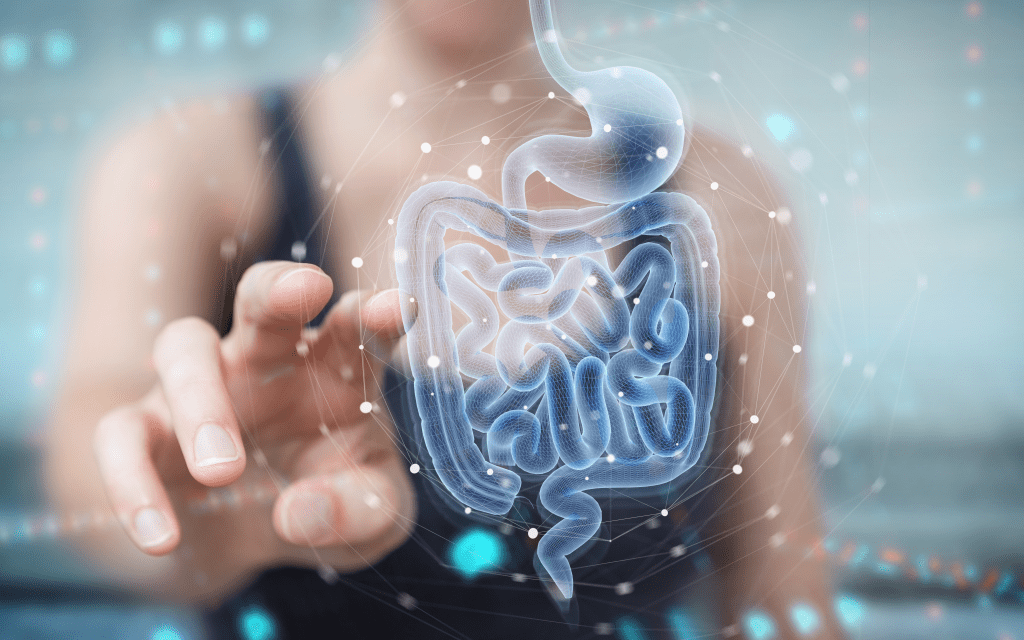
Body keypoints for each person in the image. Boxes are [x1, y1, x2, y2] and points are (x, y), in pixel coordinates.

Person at [47, 1, 844, 637]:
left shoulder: (724, 202)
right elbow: (97, 435)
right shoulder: (186, 169)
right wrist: (194, 504)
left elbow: (780, 597)